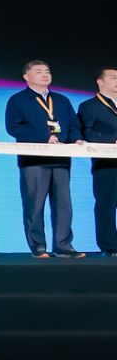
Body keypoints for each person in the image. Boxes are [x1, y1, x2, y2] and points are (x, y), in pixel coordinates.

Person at [5, 60, 85, 258]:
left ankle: (63, 246)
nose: (45, 75)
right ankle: (38, 246)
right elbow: (13, 127)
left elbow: (74, 124)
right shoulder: (18, 100)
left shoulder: (61, 100)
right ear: (26, 76)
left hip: (61, 158)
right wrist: (44, 137)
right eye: (39, 71)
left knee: (63, 205)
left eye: (47, 71)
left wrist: (76, 138)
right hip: (34, 160)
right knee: (34, 205)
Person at [77, 68, 117, 257]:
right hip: (106, 162)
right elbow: (87, 131)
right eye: (114, 77)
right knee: (106, 203)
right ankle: (109, 245)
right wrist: (112, 140)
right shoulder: (89, 106)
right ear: (100, 82)